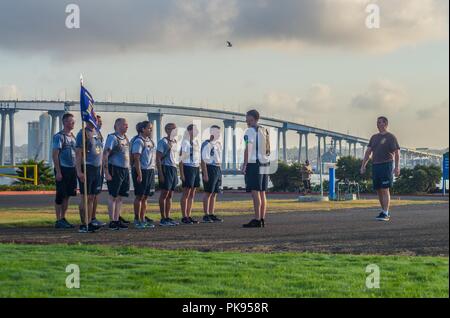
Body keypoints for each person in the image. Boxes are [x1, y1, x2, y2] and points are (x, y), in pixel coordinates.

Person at [361, 116, 400, 221]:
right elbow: (368, 152)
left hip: (386, 165)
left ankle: (386, 213)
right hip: (375, 165)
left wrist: (397, 167)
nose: (378, 124)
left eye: (380, 122)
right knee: (378, 189)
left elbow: (397, 153)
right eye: (377, 122)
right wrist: (363, 165)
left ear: (385, 124)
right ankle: (383, 211)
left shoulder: (391, 137)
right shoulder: (374, 137)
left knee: (384, 189)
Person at [241, 110, 271, 228]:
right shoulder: (265, 130)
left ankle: (257, 219)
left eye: (250, 120)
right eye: (247, 121)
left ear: (255, 119)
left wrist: (244, 165)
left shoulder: (249, 131)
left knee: (255, 192)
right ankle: (262, 218)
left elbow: (248, 148)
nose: (248, 123)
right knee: (262, 192)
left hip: (255, 163)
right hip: (265, 162)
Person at [75, 119, 104, 233]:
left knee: (92, 197)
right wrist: (79, 171)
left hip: (97, 169)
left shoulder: (97, 133)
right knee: (85, 197)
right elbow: (78, 153)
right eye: (95, 119)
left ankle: (90, 221)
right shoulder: (82, 133)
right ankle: (84, 224)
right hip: (86, 167)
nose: (97, 122)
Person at [103, 118, 131, 230]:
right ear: (117, 125)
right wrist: (106, 172)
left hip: (124, 170)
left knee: (120, 196)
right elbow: (105, 155)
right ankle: (112, 221)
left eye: (127, 124)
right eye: (124, 124)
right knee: (113, 196)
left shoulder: (125, 138)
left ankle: (117, 219)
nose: (127, 126)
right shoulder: (112, 138)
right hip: (115, 169)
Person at [52, 113, 77, 229]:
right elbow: (55, 155)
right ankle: (58, 219)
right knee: (60, 195)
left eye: (73, 122)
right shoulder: (59, 136)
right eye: (71, 122)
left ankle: (63, 217)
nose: (73, 124)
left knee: (68, 195)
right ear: (65, 122)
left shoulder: (73, 137)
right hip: (63, 168)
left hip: (72, 169)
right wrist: (58, 171)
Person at [131, 121, 156, 229]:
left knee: (145, 196)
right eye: (149, 128)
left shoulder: (150, 141)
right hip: (142, 170)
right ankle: (137, 219)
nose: (151, 130)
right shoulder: (139, 141)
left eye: (151, 128)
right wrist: (139, 174)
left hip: (150, 170)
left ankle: (143, 218)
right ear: (143, 129)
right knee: (140, 196)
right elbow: (136, 158)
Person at [156, 123, 179, 226]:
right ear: (167, 130)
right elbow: (158, 158)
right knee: (164, 194)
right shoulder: (163, 141)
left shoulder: (175, 141)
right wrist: (160, 173)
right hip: (166, 168)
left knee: (170, 195)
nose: (175, 131)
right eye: (173, 129)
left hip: (173, 168)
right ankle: (163, 218)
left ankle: (168, 217)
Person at [201, 125, 223, 223]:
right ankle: (206, 215)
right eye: (216, 132)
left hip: (217, 168)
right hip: (210, 168)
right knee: (208, 192)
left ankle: (211, 213)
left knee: (214, 193)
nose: (218, 134)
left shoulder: (218, 144)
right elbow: (203, 160)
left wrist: (220, 170)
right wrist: (205, 173)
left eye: (219, 132)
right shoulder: (206, 144)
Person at [179, 124, 201, 224]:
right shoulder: (185, 142)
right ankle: (184, 216)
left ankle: (189, 215)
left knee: (192, 193)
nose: (196, 132)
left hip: (195, 168)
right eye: (194, 130)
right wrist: (182, 174)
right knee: (186, 193)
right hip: (187, 167)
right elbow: (181, 159)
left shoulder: (196, 142)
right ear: (189, 131)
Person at [91, 115, 106, 227]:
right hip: (90, 167)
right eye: (98, 121)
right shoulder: (87, 133)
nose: (100, 123)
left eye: (101, 122)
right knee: (89, 195)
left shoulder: (99, 134)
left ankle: (93, 217)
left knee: (96, 194)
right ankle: (88, 220)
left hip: (99, 168)